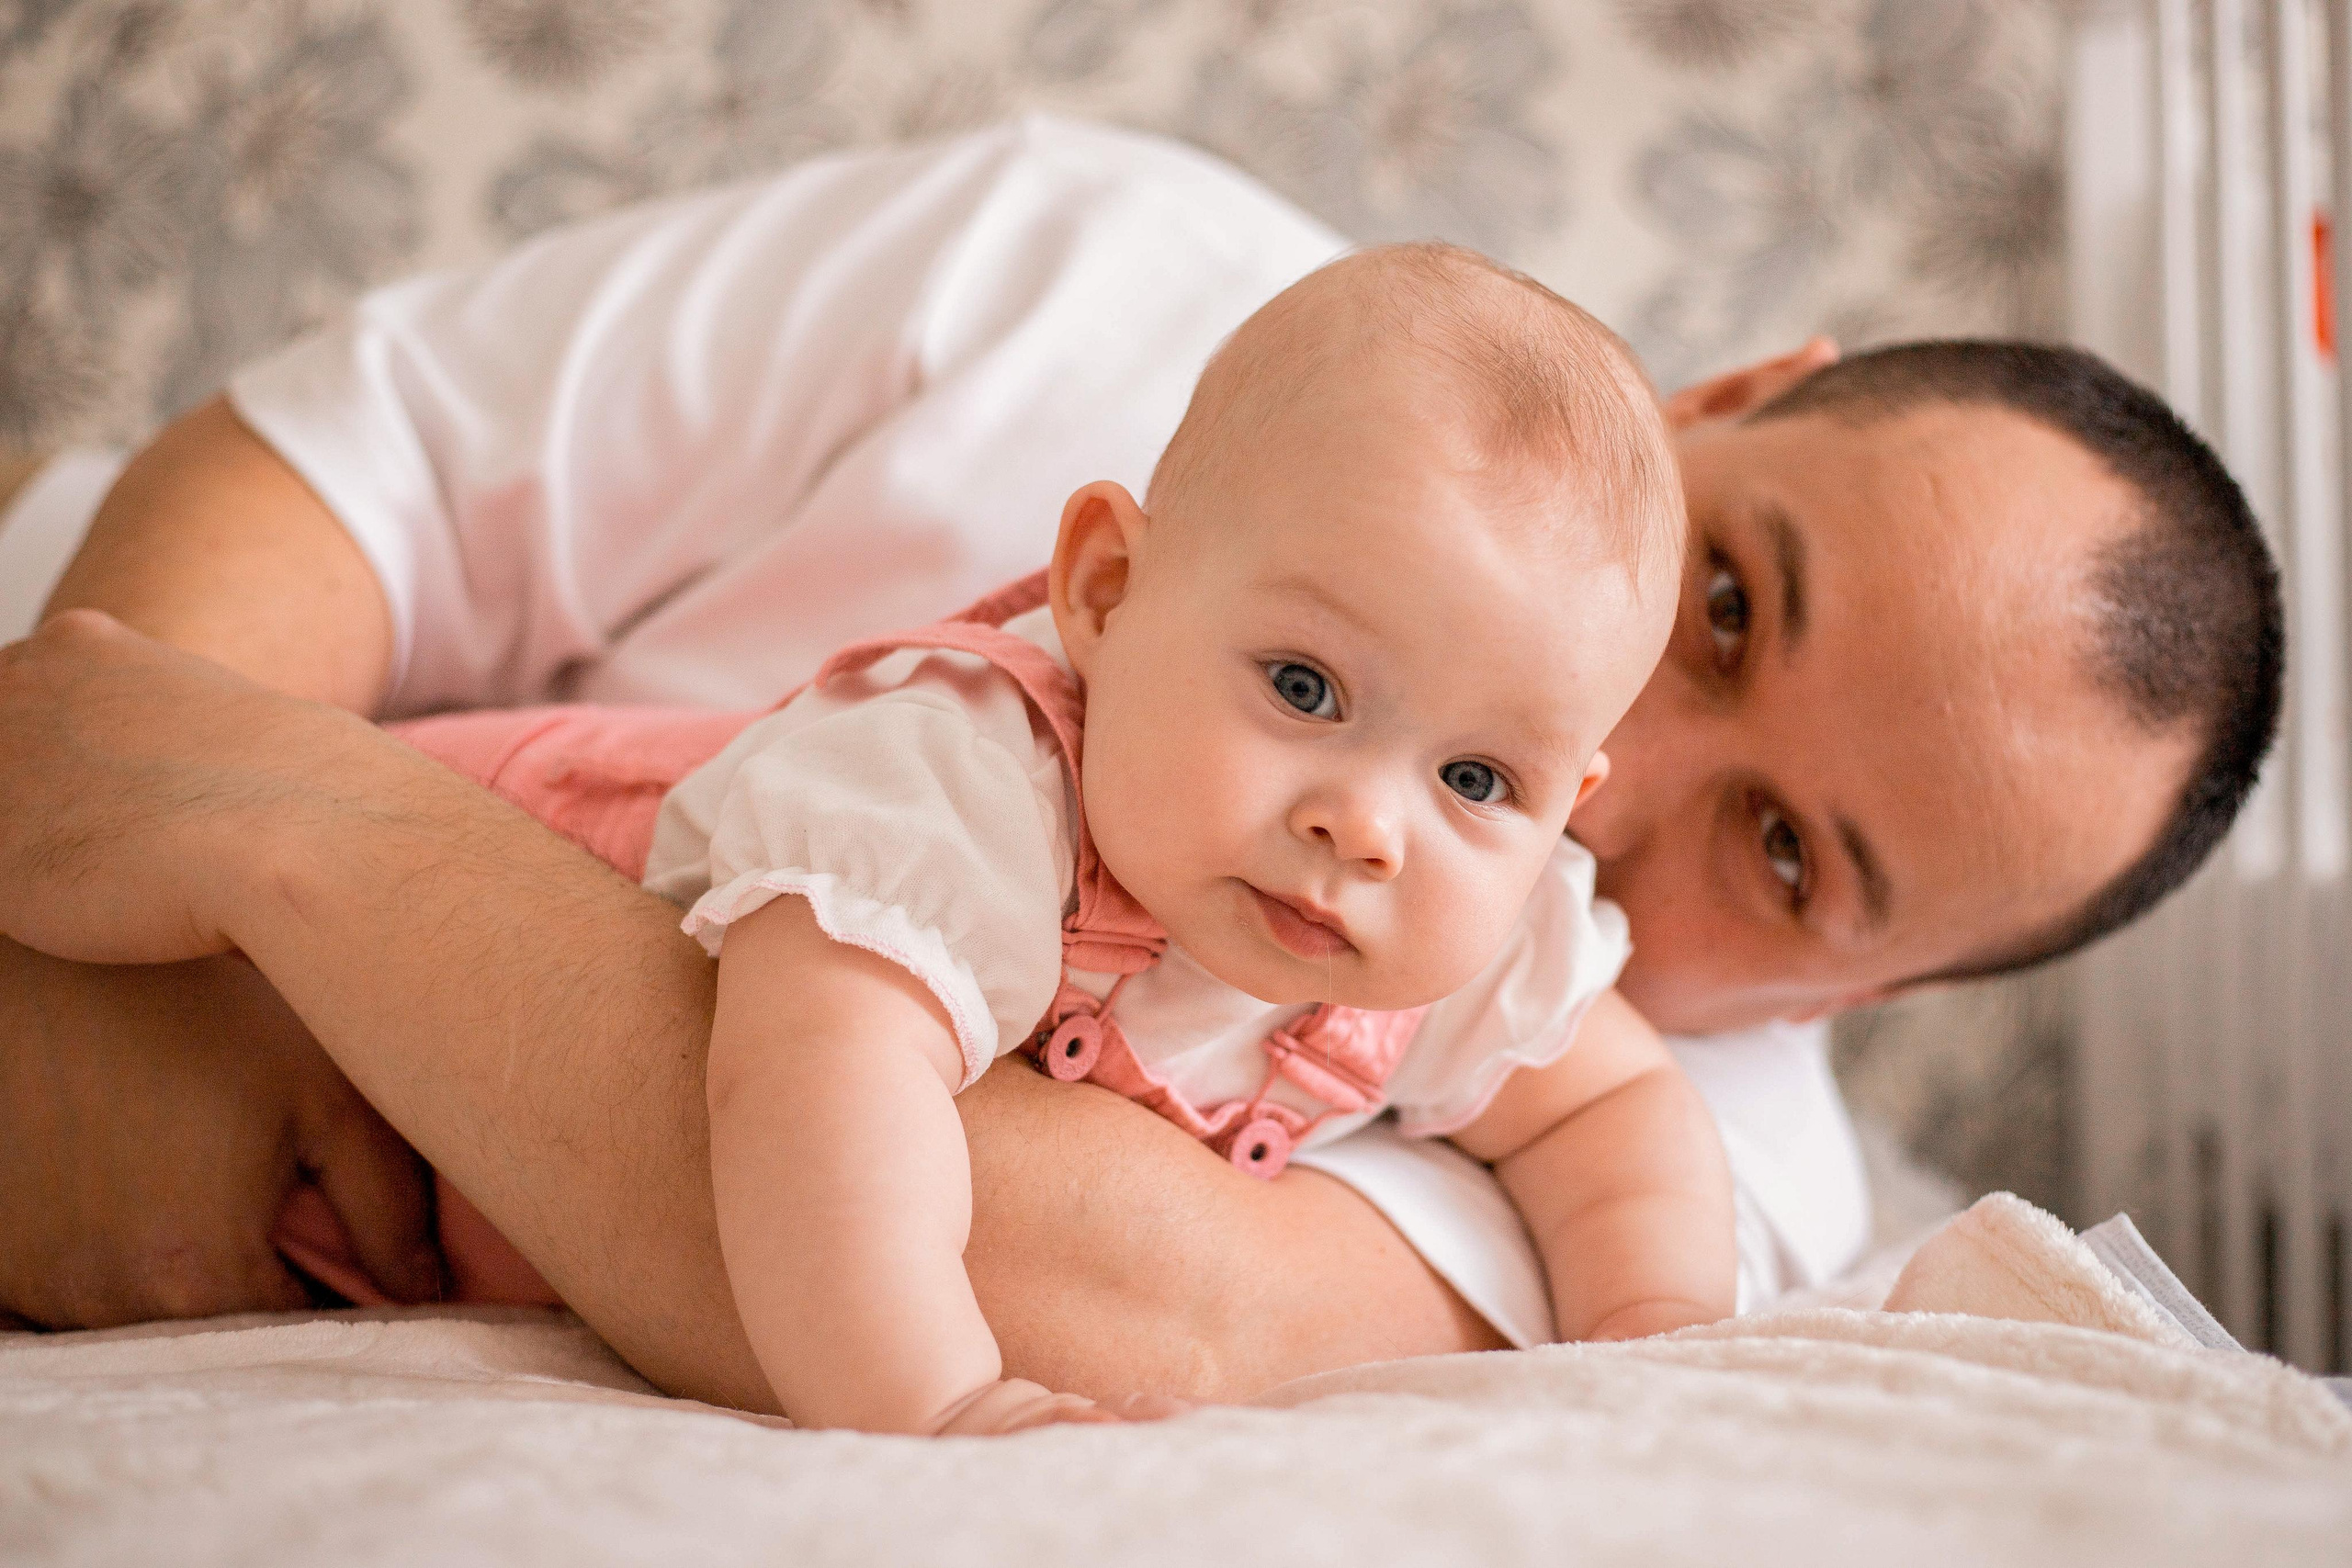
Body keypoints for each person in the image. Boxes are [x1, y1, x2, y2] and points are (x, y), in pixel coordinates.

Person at [0, 119, 2280, 1415]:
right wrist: (104, 971)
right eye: (1726, 599)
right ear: (1729, 401)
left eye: (1782, 854)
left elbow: (1061, 1282)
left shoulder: (1709, 1159)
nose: (1594, 776)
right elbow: (361, 466)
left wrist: (276, 838)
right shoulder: (1097, 286)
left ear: (1852, 1004)